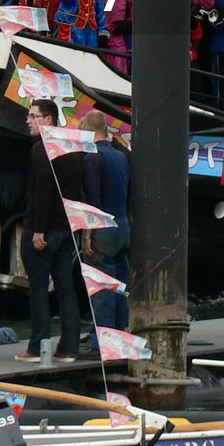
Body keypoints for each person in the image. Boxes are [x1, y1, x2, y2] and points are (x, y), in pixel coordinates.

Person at [17, 98, 84, 364]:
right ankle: (69, 347)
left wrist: (38, 230)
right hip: (67, 226)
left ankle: (37, 347)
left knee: (39, 288)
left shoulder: (41, 149)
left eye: (33, 116)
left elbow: (43, 190)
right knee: (66, 287)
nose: (28, 121)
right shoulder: (73, 148)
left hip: (44, 226)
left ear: (48, 119)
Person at [80, 111, 130, 337]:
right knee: (120, 284)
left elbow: (93, 200)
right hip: (122, 224)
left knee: (101, 286)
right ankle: (120, 332)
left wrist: (87, 234)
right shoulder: (121, 156)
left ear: (89, 130)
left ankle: (100, 340)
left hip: (102, 228)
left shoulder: (92, 158)